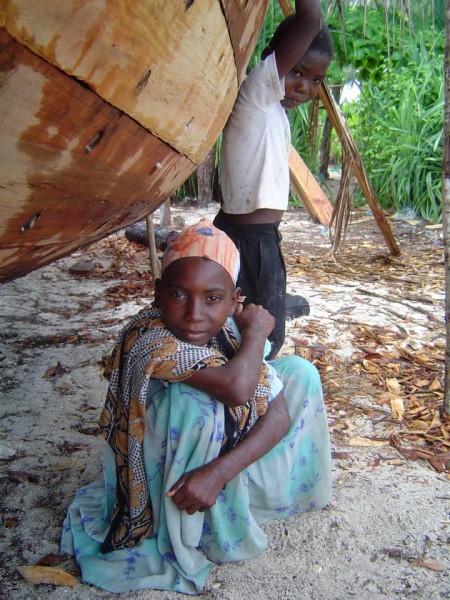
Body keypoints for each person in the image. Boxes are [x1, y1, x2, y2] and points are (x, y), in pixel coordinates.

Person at [61, 218, 331, 594]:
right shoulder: (149, 335)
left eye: (213, 298)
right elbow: (237, 389)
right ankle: (183, 529)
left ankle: (248, 496)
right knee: (195, 403)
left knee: (300, 373)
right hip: (155, 469)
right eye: (179, 294)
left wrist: (219, 473)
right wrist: (256, 333)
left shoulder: (227, 328)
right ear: (158, 294)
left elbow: (279, 410)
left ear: (236, 300)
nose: (194, 313)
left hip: (209, 462)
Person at [214, 0, 334, 359]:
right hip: (245, 239)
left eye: (316, 80)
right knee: (251, 334)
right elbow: (310, 19)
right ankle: (245, 397)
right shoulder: (258, 93)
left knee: (258, 329)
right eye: (297, 71)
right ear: (274, 59)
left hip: (260, 239)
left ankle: (248, 390)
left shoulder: (276, 112)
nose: (305, 87)